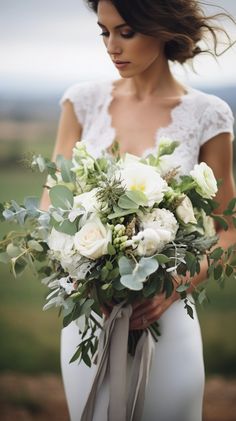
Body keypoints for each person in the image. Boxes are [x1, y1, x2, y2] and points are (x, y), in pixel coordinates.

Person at [40, 0, 235, 420]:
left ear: (161, 28)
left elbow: (227, 228)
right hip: (89, 315)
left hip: (167, 311)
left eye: (125, 32)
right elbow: (49, 210)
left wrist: (178, 283)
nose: (112, 46)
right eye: (104, 32)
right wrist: (83, 277)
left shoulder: (208, 114)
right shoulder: (81, 102)